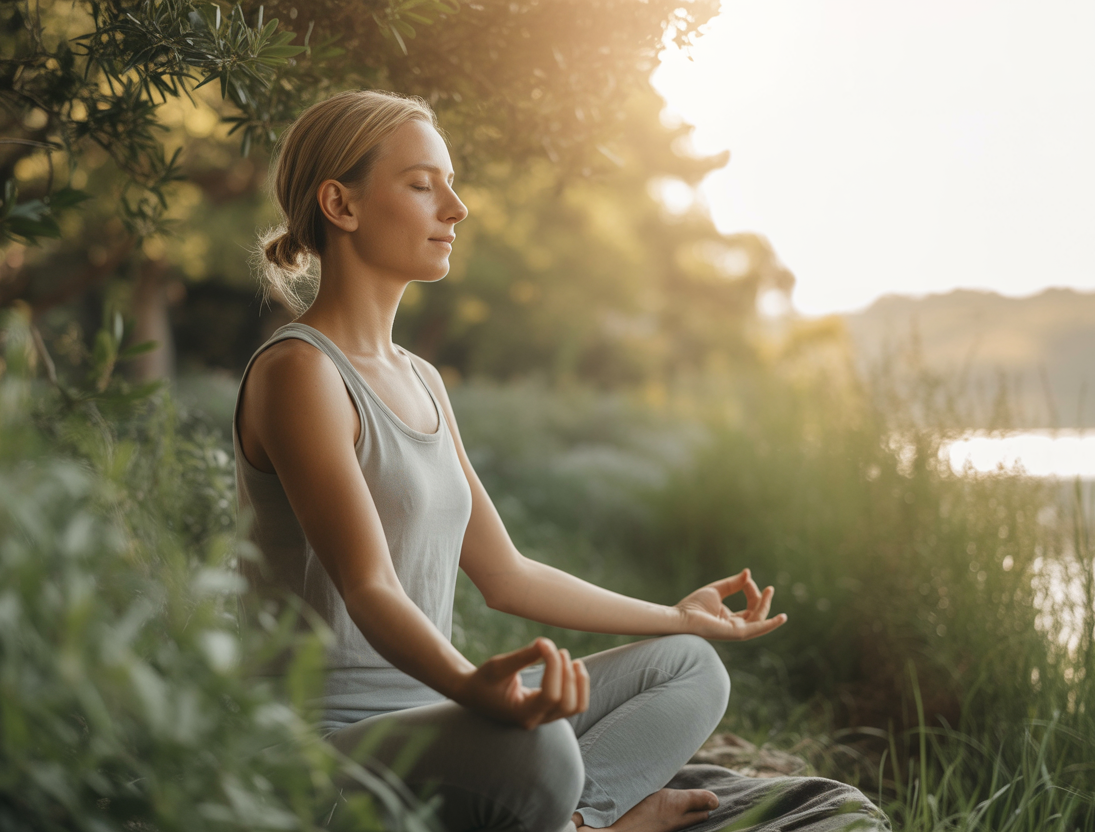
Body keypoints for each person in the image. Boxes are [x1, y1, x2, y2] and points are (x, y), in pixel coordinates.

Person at [233, 89, 788, 832]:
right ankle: (579, 812)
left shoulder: (422, 379)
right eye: (423, 184)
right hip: (320, 745)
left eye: (451, 184)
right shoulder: (302, 373)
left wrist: (676, 616)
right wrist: (472, 688)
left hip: (432, 720)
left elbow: (506, 574)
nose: (456, 208)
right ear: (342, 204)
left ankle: (581, 823)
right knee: (543, 750)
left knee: (688, 666)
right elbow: (368, 587)